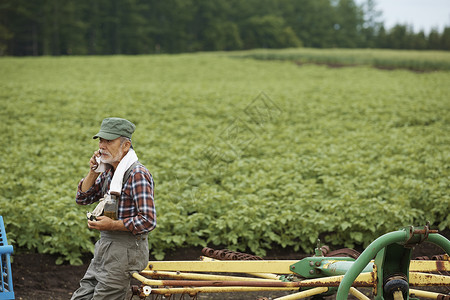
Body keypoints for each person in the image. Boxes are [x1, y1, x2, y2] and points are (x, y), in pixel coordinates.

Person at [71, 117, 156, 300]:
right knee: (82, 295)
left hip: (126, 253)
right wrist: (93, 172)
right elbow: (82, 198)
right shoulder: (109, 172)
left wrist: (112, 225)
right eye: (101, 140)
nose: (102, 145)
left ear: (126, 145)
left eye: (109, 141)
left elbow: (148, 220)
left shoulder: (137, 174)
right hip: (105, 248)